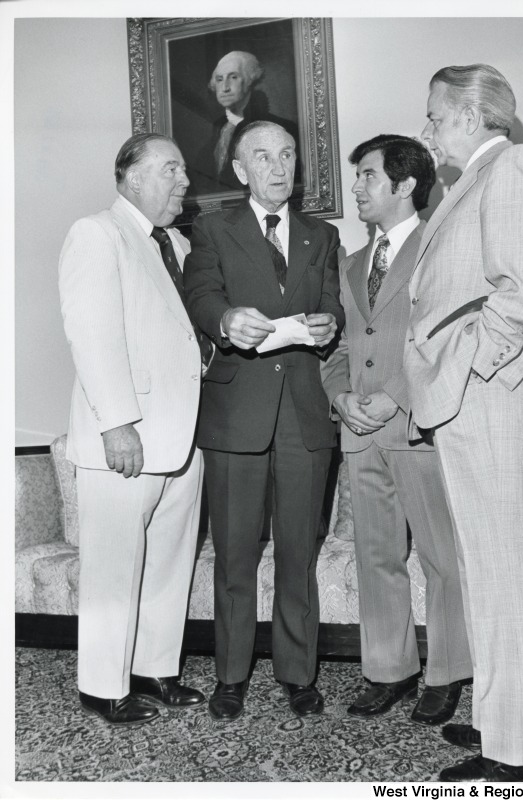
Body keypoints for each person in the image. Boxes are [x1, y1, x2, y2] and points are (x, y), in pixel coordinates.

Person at [404, 64, 523, 781]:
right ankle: (505, 722)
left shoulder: (513, 166)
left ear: (469, 115)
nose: (426, 127)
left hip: (487, 396)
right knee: (488, 570)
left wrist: (468, 362)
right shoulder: (467, 181)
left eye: (433, 115)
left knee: (507, 571)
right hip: (471, 400)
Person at [184, 120, 344, 721]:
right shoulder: (212, 228)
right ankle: (230, 675)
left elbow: (331, 301)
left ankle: (298, 674)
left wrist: (329, 323)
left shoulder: (320, 235)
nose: (279, 167)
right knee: (234, 555)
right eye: (264, 157)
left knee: (298, 553)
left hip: (304, 418)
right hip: (235, 418)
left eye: (288, 155)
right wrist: (225, 320)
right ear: (241, 170)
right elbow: (200, 292)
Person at [58, 132, 210, 726]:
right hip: (127, 438)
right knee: (114, 567)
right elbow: (92, 334)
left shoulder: (173, 242)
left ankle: (153, 669)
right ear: (130, 175)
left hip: (181, 438)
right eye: (171, 169)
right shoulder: (97, 233)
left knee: (169, 564)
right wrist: (117, 425)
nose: (184, 182)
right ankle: (101, 686)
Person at [320, 134, 472, 723]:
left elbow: (448, 340)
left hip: (418, 428)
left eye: (367, 176)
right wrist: (340, 399)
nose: (356, 187)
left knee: (440, 556)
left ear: (405, 186)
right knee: (375, 556)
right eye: (357, 175)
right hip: (359, 433)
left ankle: (448, 673)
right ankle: (389, 670)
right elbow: (332, 351)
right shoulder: (350, 265)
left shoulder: (441, 247)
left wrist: (392, 399)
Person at [189, 51, 299, 194]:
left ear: (250, 81)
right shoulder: (216, 132)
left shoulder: (281, 129)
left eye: (233, 77)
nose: (225, 87)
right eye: (219, 79)